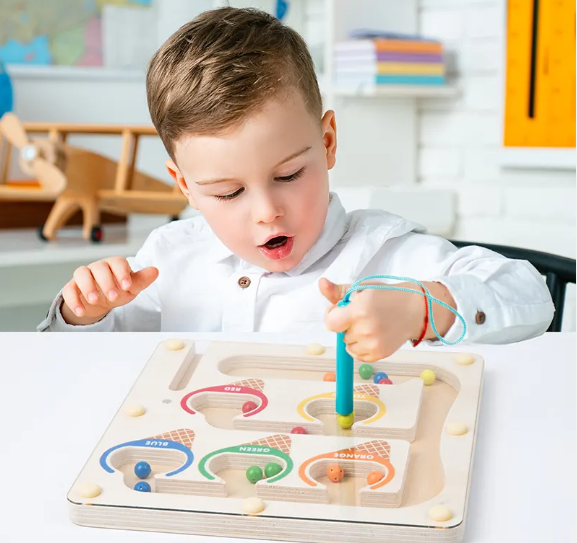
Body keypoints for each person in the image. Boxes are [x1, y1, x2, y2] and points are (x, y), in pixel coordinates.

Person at [38, 7, 554, 362]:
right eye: (227, 192)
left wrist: (423, 310)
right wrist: (82, 316)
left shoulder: (387, 255)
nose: (266, 211)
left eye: (288, 175)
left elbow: (531, 294)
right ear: (185, 187)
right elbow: (76, 367)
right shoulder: (167, 259)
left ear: (327, 141)